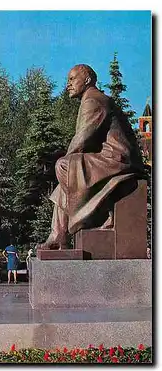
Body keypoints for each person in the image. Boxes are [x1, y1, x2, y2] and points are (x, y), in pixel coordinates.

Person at [37, 64, 144, 251]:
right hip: (111, 158)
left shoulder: (93, 100)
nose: (67, 85)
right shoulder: (92, 98)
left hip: (117, 160)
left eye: (72, 79)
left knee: (65, 166)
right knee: (69, 171)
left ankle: (77, 222)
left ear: (87, 80)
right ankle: (58, 234)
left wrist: (66, 163)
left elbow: (82, 139)